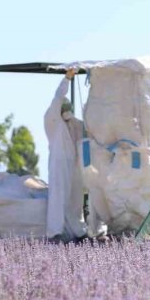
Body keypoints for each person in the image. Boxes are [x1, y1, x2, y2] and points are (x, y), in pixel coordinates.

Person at [43, 68, 87, 241]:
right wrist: (67, 79)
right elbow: (58, 98)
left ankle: (78, 232)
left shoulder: (75, 123)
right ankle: (55, 232)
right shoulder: (52, 120)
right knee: (58, 197)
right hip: (59, 163)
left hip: (75, 163)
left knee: (76, 199)